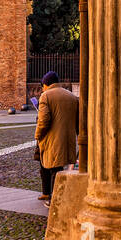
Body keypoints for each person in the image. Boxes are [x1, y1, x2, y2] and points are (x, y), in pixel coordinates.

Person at [35, 71, 78, 203]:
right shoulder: (72, 96)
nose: (42, 88)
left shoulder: (45, 96)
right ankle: (46, 192)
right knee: (46, 164)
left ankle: (54, 198)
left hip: (51, 138)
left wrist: (38, 135)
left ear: (46, 84)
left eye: (43, 86)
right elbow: (77, 120)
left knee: (54, 168)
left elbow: (43, 120)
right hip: (67, 138)